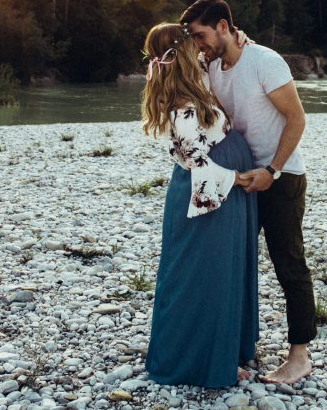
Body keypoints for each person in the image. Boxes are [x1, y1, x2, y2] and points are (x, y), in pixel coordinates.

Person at [180, 0, 315, 384]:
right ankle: (233, 346)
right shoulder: (211, 65)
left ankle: (300, 357)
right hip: (241, 180)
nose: (198, 44)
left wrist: (272, 170)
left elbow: (297, 118)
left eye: (201, 35)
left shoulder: (265, 62)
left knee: (289, 265)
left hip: (281, 176)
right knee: (233, 261)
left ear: (224, 26)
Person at [140, 22, 260, 388]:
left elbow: (227, 55)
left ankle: (226, 347)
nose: (201, 49)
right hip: (210, 197)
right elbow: (197, 164)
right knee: (205, 277)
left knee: (225, 270)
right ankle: (204, 360)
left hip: (225, 196)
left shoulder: (195, 83)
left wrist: (243, 41)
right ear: (184, 52)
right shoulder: (181, 107)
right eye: (195, 44)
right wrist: (240, 179)